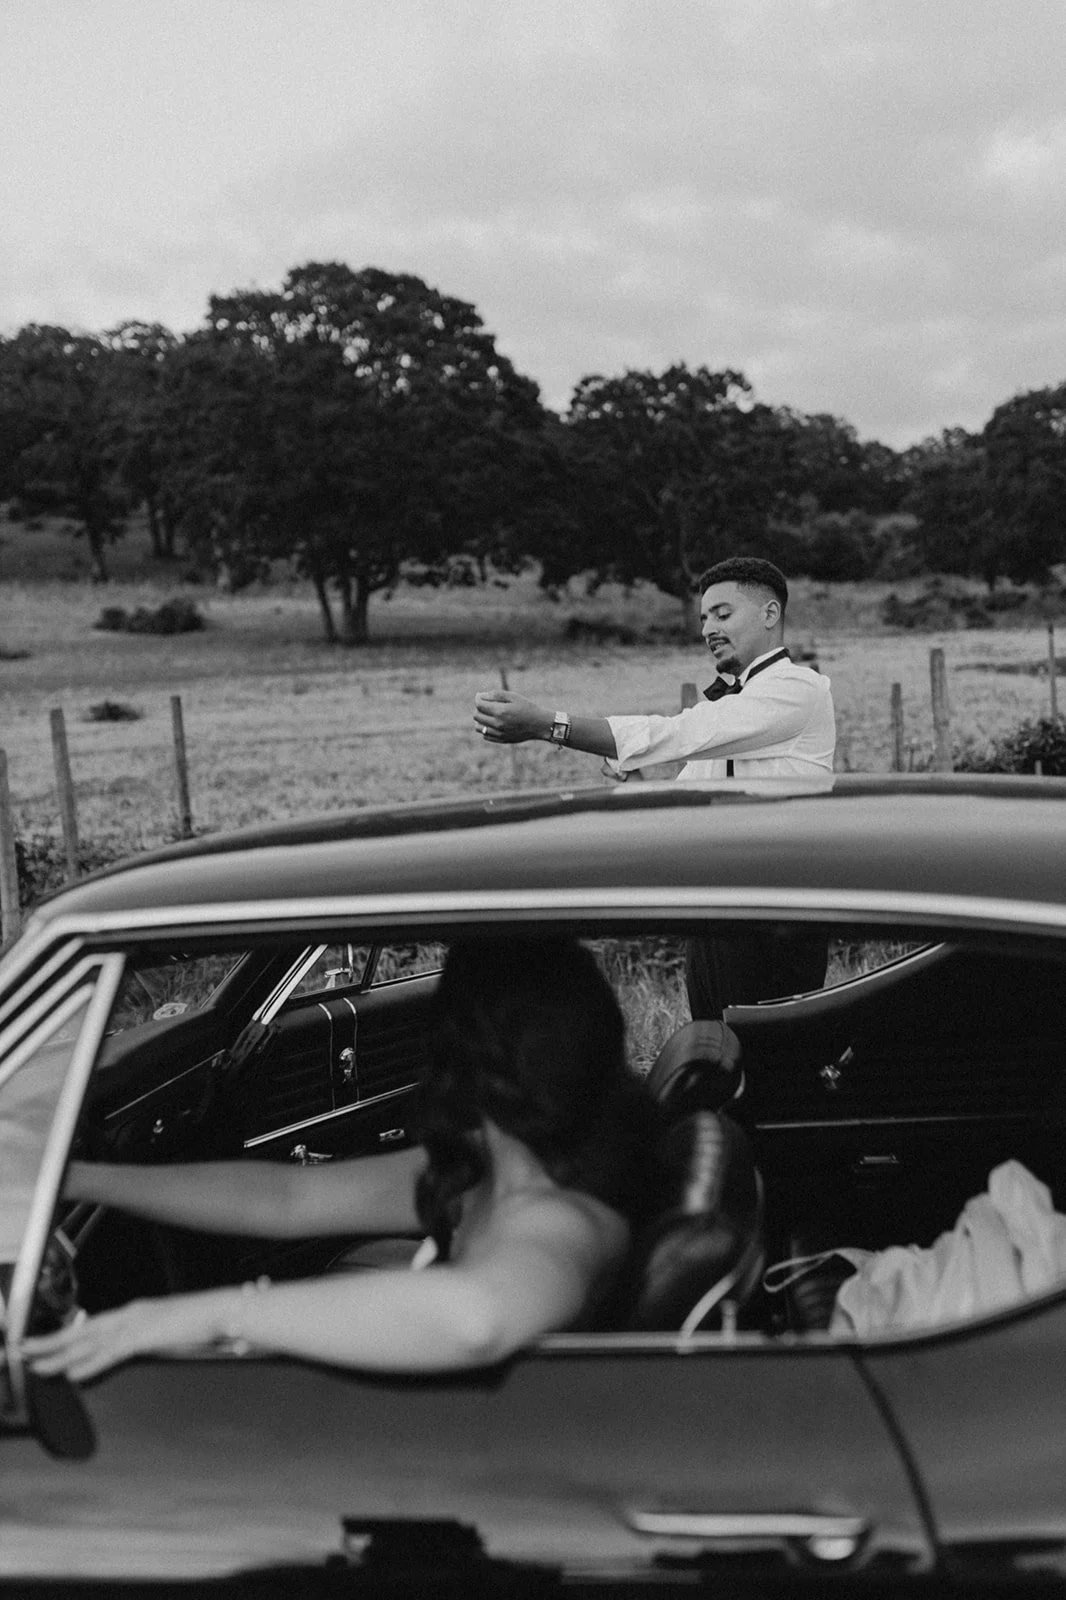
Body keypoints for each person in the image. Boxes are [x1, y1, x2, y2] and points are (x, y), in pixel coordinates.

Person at [23, 937, 648, 1384]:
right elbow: (284, 1199)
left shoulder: (564, 1224)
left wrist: (208, 1316)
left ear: (463, 1056)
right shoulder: (484, 1175)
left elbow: (477, 1319)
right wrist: (74, 1178)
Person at [473, 557, 836, 1016]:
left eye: (723, 614)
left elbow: (679, 733)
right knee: (713, 1042)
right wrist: (637, 783)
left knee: (771, 1051)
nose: (708, 629)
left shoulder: (799, 689)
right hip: (719, 913)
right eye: (704, 618)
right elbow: (682, 809)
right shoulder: (735, 705)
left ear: (769, 614)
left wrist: (550, 725)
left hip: (779, 915)